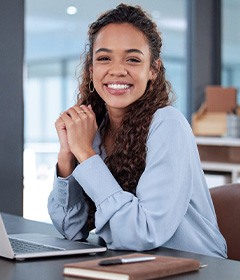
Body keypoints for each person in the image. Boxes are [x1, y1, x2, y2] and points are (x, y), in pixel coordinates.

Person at [48, 3, 227, 258]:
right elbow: (71, 229)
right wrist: (68, 155)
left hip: (193, 267)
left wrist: (86, 155)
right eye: (104, 58)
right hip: (133, 264)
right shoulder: (94, 130)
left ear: (153, 69)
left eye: (133, 59)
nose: (118, 70)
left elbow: (142, 233)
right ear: (91, 70)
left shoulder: (168, 125)